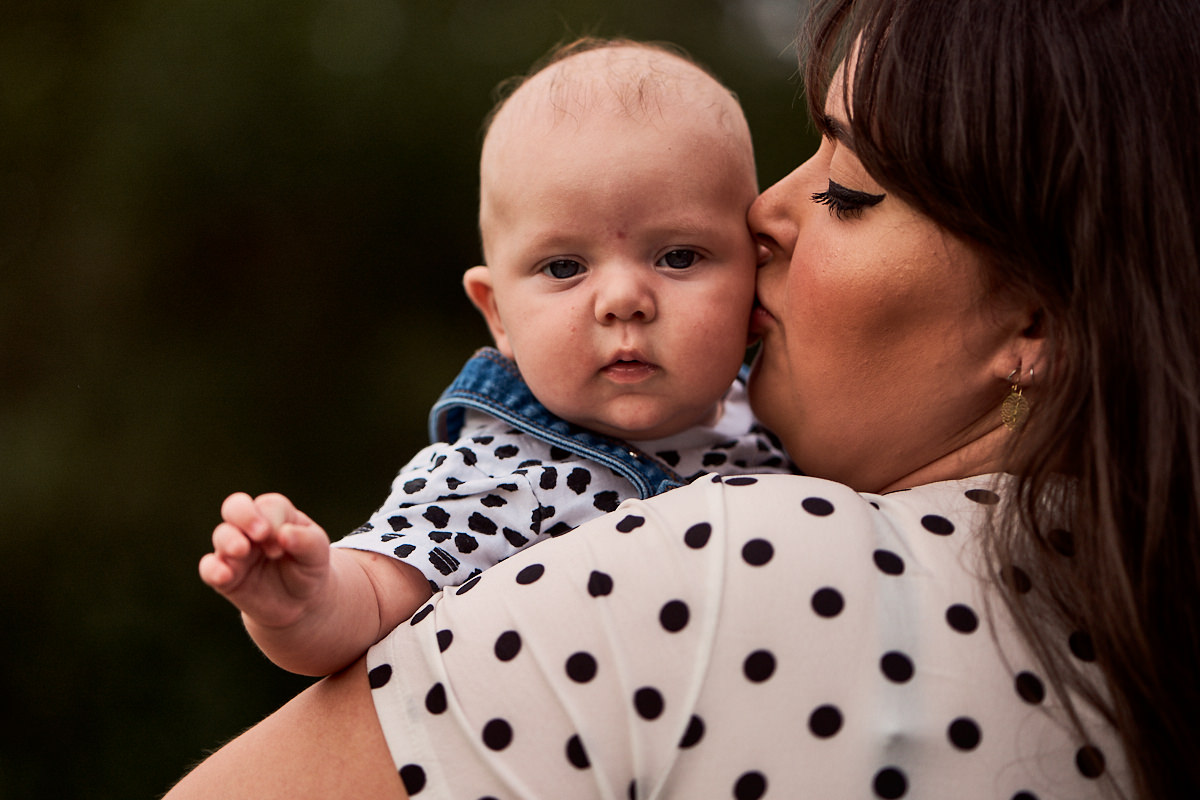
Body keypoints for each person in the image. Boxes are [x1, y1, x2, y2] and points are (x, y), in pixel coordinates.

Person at [167, 0, 1200, 798]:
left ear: (1037, 323)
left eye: (848, 192)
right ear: (494, 307)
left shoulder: (724, 563)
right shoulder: (1148, 619)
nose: (766, 211)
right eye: (564, 267)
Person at [198, 39, 792, 677]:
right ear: (498, 314)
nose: (623, 300)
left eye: (678, 256)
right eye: (563, 267)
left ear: (756, 275)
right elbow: (371, 594)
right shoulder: (498, 473)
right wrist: (304, 603)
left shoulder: (794, 415)